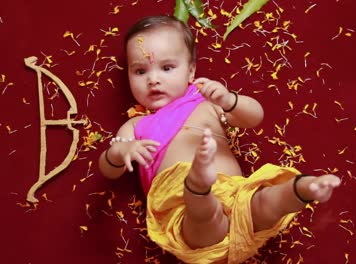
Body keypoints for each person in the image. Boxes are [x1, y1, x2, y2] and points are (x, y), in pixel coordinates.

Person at [98, 15, 341, 264]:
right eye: (140, 71)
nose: (153, 79)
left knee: (265, 203)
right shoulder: (135, 125)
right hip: (181, 210)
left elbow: (254, 116)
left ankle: (303, 188)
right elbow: (108, 168)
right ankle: (198, 185)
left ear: (191, 70)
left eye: (167, 68)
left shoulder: (207, 101)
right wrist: (119, 153)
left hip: (233, 194)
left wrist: (229, 100)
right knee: (203, 217)